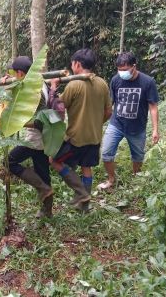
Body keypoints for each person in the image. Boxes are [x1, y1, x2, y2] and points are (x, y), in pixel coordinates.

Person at [50, 48, 112, 212]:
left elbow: (58, 108)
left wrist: (53, 88)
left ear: (77, 64)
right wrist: (97, 123)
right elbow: (108, 112)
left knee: (54, 161)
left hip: (75, 138)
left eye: (72, 63)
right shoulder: (102, 83)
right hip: (94, 136)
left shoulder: (74, 85)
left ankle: (80, 193)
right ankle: (84, 206)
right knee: (86, 167)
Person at [98, 51, 160, 190]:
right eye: (119, 70)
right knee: (106, 153)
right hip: (116, 124)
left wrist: (155, 129)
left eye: (125, 70)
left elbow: (153, 107)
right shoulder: (115, 80)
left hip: (137, 128)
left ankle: (136, 180)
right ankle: (111, 180)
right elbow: (110, 103)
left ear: (134, 66)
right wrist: (100, 120)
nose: (122, 73)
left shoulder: (147, 82)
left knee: (137, 157)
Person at [3, 56, 54, 218]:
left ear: (20, 73)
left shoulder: (34, 90)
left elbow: (39, 120)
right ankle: (47, 210)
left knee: (9, 161)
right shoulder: (39, 82)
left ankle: (43, 189)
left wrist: (20, 124)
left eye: (15, 73)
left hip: (36, 136)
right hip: (45, 135)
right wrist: (10, 83)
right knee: (43, 170)